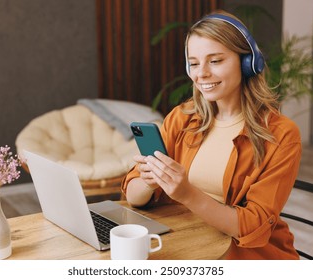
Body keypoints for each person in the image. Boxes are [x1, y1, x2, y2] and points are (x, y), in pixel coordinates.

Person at [121, 10, 302, 260]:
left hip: (244, 255)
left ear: (248, 63)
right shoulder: (182, 117)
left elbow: (253, 225)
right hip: (186, 242)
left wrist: (186, 193)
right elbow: (132, 196)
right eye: (194, 63)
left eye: (215, 61)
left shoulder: (281, 134)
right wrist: (149, 182)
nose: (201, 73)